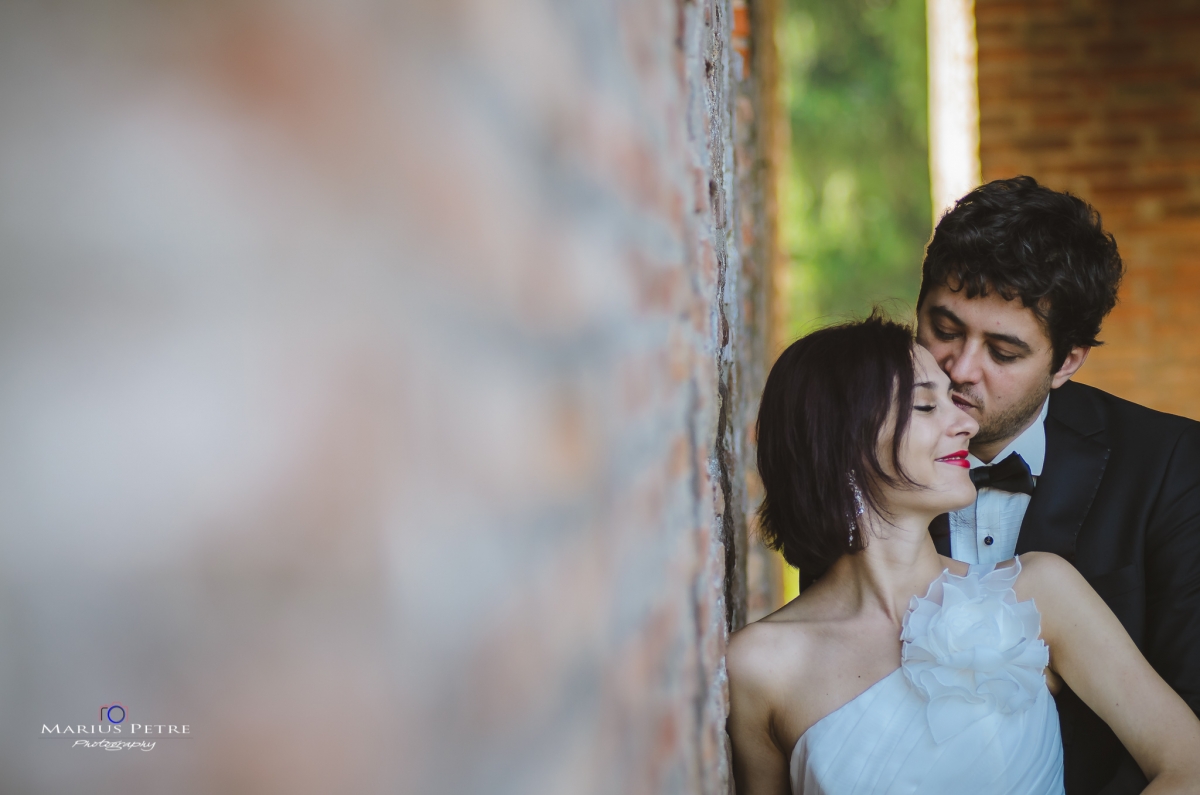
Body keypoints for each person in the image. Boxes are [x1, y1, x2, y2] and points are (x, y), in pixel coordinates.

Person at [725, 315, 1200, 795]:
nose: (966, 423)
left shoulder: (1040, 594)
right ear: (843, 441)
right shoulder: (760, 666)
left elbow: (1189, 766)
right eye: (927, 405)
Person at [915, 176, 1200, 794]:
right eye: (944, 328)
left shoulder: (1171, 464)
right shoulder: (859, 458)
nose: (961, 369)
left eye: (1004, 352)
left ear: (1067, 360)